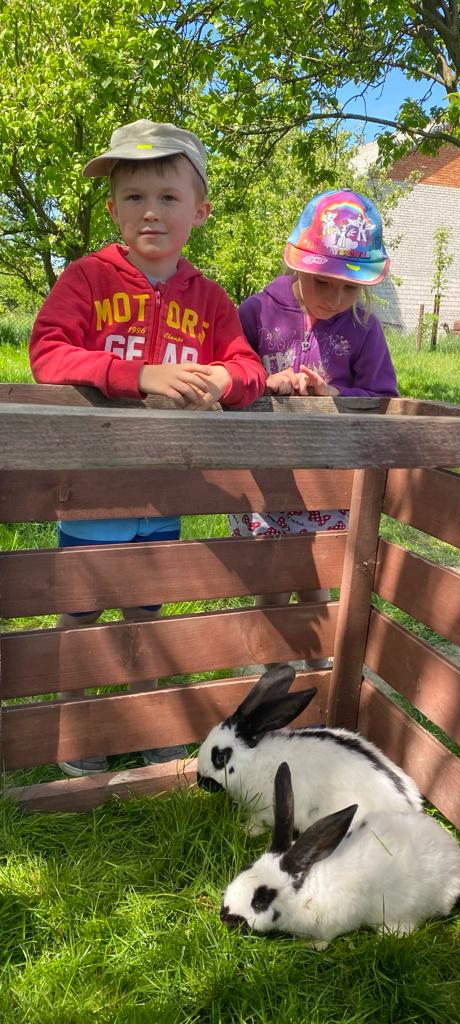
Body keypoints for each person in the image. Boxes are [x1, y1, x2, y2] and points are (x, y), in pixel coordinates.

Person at [29, 119, 266, 776]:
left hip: (166, 488)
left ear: (200, 211)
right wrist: (137, 375)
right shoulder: (88, 279)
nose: (151, 212)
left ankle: (146, 716)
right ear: (113, 209)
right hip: (93, 487)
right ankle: (78, 724)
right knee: (81, 611)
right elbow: (48, 352)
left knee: (147, 609)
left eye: (168, 197)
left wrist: (222, 380)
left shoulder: (209, 299)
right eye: (134, 197)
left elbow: (247, 366)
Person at [229, 189, 398, 668]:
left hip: (325, 483)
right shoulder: (258, 312)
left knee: (315, 576)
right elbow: (231, 370)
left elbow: (383, 396)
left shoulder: (363, 327)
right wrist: (264, 381)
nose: (336, 299)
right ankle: (272, 670)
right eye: (324, 283)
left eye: (350, 288)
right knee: (269, 578)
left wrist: (335, 396)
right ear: (300, 266)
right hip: (264, 476)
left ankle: (319, 668)